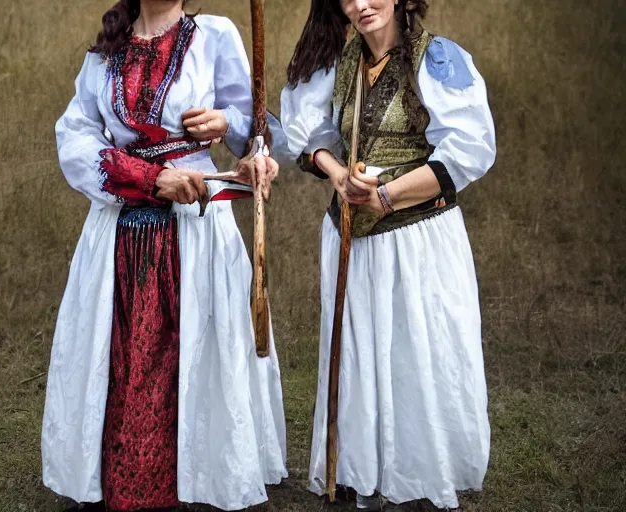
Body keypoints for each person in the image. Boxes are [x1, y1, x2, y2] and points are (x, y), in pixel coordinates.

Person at [41, 1, 286, 511]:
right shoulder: (108, 49)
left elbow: (261, 133)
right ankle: (109, 476)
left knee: (195, 347)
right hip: (119, 231)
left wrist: (231, 127)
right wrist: (151, 179)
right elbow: (75, 136)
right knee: (120, 352)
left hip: (197, 230)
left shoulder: (214, 36)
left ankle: (205, 475)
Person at [277, 0, 496, 509]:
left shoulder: (434, 59)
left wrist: (387, 195)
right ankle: (362, 471)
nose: (361, 4)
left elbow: (468, 150)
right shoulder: (339, 62)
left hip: (417, 241)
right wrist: (337, 174)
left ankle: (421, 471)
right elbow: (307, 137)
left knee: (415, 352)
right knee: (358, 354)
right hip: (351, 238)